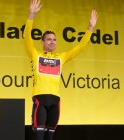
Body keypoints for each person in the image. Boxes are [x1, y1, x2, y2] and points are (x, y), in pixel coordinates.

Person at [23, 0, 98, 140]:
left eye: (54, 39)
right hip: (40, 99)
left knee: (50, 137)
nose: (52, 42)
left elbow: (81, 47)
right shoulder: (35, 54)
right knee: (39, 137)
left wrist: (90, 28)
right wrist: (31, 15)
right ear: (42, 42)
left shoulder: (61, 57)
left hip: (55, 102)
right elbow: (26, 37)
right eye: (49, 39)